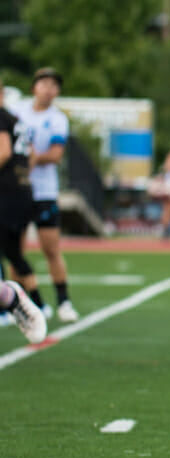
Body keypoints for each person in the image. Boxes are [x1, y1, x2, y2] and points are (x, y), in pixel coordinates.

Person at [12, 67, 79, 322]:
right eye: (44, 83)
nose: (49, 89)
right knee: (14, 250)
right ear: (34, 87)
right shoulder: (18, 111)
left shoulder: (58, 118)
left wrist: (32, 158)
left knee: (50, 248)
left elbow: (55, 155)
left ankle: (64, 302)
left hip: (44, 192)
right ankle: (23, 306)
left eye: (54, 85)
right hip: (18, 192)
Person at [0, 77, 40, 331]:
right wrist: (23, 176)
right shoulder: (15, 119)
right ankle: (29, 302)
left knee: (9, 250)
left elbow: (3, 152)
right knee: (12, 250)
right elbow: (31, 154)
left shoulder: (2, 117)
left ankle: (14, 301)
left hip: (6, 193)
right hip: (21, 190)